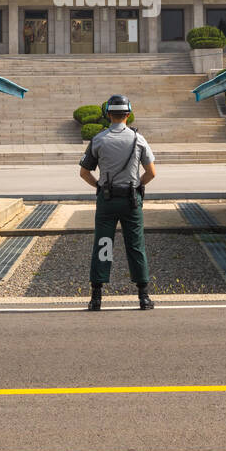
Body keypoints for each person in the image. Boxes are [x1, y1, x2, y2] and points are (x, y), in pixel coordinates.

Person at [78, 94, 157, 311]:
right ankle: (143, 296)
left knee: (104, 244)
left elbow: (84, 172)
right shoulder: (138, 139)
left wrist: (99, 186)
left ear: (107, 115)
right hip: (131, 200)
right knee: (135, 245)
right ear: (128, 114)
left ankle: (96, 297)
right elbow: (151, 173)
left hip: (107, 200)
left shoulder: (99, 139)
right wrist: (137, 185)